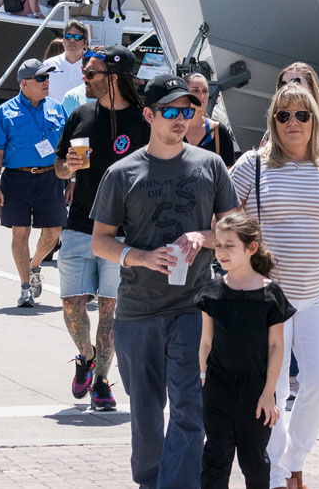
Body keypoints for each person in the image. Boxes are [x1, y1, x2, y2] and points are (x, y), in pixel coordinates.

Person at [91, 72, 239, 489]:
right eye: (170, 111)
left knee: (190, 406)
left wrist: (204, 236)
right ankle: (150, 479)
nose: (180, 119)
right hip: (137, 310)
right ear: (149, 115)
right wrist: (139, 256)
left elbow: (236, 232)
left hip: (192, 307)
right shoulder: (123, 173)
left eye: (187, 111)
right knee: (146, 411)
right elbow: (100, 242)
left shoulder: (210, 165)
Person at [232, 84, 319, 489]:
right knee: (275, 386)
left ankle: (293, 458)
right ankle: (281, 472)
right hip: (270, 295)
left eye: (302, 115)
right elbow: (228, 220)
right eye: (283, 115)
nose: (293, 123)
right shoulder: (253, 165)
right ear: (273, 121)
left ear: (315, 120)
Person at [53, 44, 149, 412]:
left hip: (126, 230)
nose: (84, 77)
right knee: (72, 306)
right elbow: (59, 167)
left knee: (111, 309)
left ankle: (102, 380)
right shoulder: (80, 114)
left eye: (91, 73)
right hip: (80, 223)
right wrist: (69, 168)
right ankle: (85, 356)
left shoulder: (144, 121)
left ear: (115, 77)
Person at [197, 210, 292, 489]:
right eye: (218, 245)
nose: (222, 252)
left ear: (251, 248)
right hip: (218, 388)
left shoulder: (270, 294)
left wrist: (268, 394)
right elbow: (206, 342)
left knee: (254, 461)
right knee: (215, 459)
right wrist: (204, 379)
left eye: (230, 245)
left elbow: (276, 347)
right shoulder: (212, 291)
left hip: (256, 392)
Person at [0, 58, 68, 308]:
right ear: (25, 83)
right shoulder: (5, 112)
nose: (46, 83)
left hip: (51, 176)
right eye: (41, 78)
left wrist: (71, 179)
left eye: (47, 78)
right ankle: (25, 287)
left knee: (54, 230)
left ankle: (35, 265)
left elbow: (66, 148)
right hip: (17, 178)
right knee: (21, 231)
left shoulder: (57, 108)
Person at [185, 73, 238, 166]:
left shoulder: (219, 131)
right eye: (195, 90)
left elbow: (228, 172)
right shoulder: (172, 129)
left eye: (205, 91)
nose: (202, 95)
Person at [48, 21, 91, 107]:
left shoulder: (93, 66)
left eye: (77, 37)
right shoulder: (48, 64)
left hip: (83, 118)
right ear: (63, 41)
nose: (72, 40)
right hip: (55, 118)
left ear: (85, 43)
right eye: (68, 36)